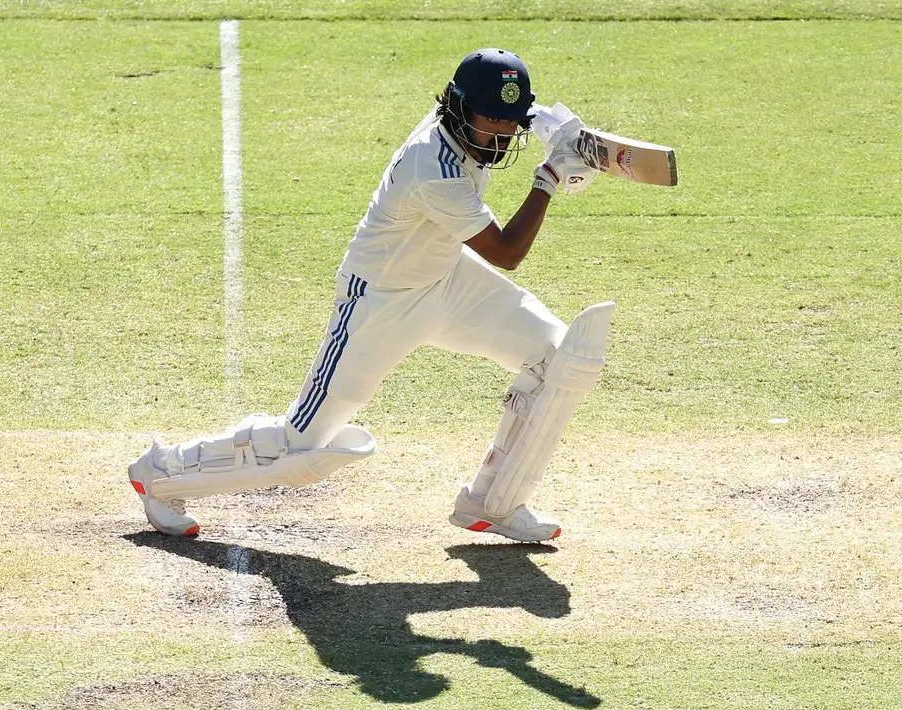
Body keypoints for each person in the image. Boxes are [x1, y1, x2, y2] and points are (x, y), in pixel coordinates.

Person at [128, 49, 615, 543]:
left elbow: (511, 113)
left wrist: (556, 131)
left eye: (511, 124)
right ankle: (160, 473)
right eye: (492, 121)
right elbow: (506, 252)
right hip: (381, 300)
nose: (501, 135)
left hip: (448, 279)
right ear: (456, 107)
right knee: (303, 444)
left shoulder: (475, 118)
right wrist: (549, 177)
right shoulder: (434, 165)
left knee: (561, 357)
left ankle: (494, 503)